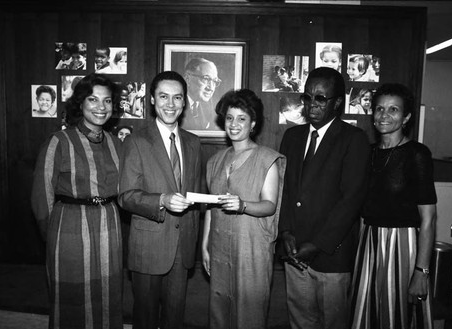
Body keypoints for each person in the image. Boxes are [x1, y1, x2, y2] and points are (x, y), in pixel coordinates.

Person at [279, 67, 371, 329]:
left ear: (337, 103)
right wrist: (285, 231)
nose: (311, 105)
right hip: (295, 249)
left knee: (332, 322)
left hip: (332, 252)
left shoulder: (354, 139)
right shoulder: (292, 137)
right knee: (300, 320)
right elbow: (285, 190)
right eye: (307, 97)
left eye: (320, 98)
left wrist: (318, 244)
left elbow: (351, 200)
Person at [31, 73, 123, 329]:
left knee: (108, 290)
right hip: (69, 226)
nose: (101, 107)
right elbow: (41, 195)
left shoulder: (117, 144)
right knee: (72, 293)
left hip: (108, 223)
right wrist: (51, 236)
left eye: (107, 101)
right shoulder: (58, 141)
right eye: (93, 100)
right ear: (80, 103)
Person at [118, 71, 202, 329]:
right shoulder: (136, 141)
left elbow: (194, 193)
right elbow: (126, 196)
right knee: (145, 317)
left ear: (185, 102)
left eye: (177, 98)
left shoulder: (193, 142)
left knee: (175, 317)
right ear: (152, 100)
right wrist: (162, 200)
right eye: (163, 96)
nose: (170, 104)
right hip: (148, 244)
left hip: (183, 246)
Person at [350, 83, 437, 329]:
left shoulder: (417, 154)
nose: (384, 116)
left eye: (393, 110)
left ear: (406, 117)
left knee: (396, 317)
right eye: (379, 109)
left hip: (404, 246)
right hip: (368, 243)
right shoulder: (367, 153)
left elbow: (429, 218)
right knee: (366, 316)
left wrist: (421, 271)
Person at [201, 89, 286, 328]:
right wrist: (204, 245)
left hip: (251, 247)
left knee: (249, 312)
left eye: (241, 118)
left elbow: (270, 206)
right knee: (219, 311)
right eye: (229, 118)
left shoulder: (267, 158)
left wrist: (242, 205)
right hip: (219, 247)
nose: (234, 124)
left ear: (253, 124)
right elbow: (211, 205)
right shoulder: (215, 160)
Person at [182, 57, 221, 130]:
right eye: (206, 79)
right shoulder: (175, 105)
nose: (211, 88)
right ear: (187, 79)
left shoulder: (211, 108)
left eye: (215, 81)